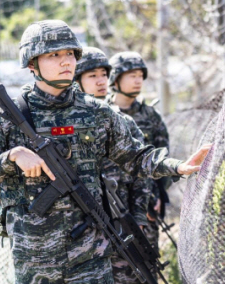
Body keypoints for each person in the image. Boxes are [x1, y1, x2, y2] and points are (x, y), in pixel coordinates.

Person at [0, 20, 209, 284]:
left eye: (69, 53)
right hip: (34, 258)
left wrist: (177, 166)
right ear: (32, 64)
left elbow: (136, 156)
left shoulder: (97, 112)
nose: (65, 61)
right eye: (53, 55)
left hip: (90, 254)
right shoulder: (7, 117)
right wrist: (12, 158)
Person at [75, 47, 151, 284]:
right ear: (77, 80)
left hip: (121, 217)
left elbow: (141, 170)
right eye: (92, 76)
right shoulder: (65, 121)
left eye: (103, 75)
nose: (100, 82)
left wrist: (138, 214)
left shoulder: (121, 120)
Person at [107, 51, 172, 271]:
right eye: (131, 75)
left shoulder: (151, 117)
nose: (137, 80)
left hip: (145, 202)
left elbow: (163, 160)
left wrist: (158, 196)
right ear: (115, 79)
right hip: (110, 201)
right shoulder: (102, 113)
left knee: (145, 262)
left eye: (140, 76)